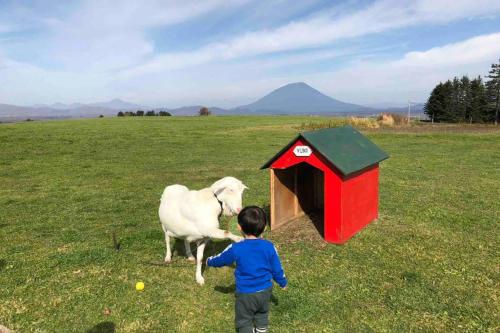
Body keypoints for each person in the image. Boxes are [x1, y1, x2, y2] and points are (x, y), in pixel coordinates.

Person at [206, 206, 287, 333]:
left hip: (245, 294)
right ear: (265, 227)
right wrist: (282, 282)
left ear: (239, 227)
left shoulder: (236, 248)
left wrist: (209, 260)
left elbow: (221, 259)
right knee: (262, 314)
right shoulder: (269, 247)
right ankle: (261, 330)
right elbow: (277, 268)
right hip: (265, 291)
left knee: (244, 320)